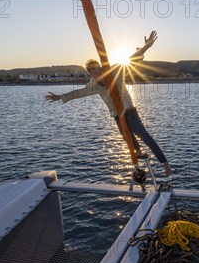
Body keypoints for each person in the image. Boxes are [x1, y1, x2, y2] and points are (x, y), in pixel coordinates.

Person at [46, 31, 172, 176]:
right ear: (91, 74)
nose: (97, 71)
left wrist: (146, 47)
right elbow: (79, 93)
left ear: (101, 67)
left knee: (144, 135)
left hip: (129, 111)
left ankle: (165, 164)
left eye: (98, 67)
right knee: (126, 137)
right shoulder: (93, 85)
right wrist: (60, 97)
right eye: (93, 70)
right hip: (117, 115)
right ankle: (138, 151)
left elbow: (131, 61)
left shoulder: (115, 71)